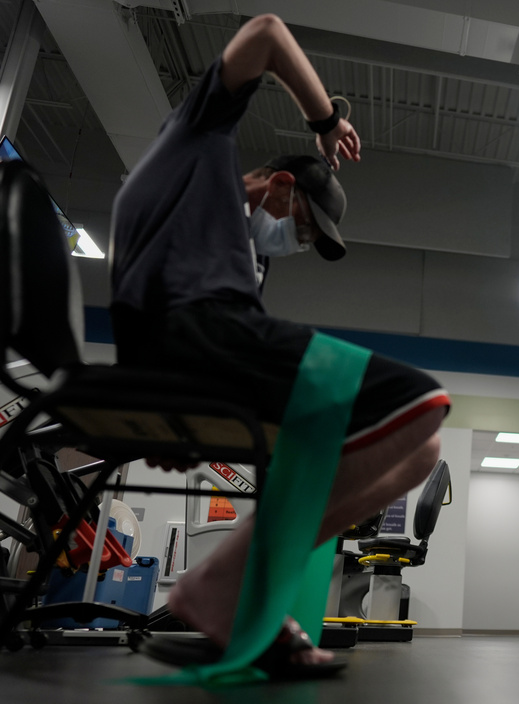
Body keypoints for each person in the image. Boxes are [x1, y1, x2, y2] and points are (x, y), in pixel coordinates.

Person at [108, 15, 449, 678]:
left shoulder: (241, 262)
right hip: (195, 335)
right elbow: (265, 33)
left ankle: (232, 591)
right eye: (301, 226)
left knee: (421, 455)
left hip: (196, 358)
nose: (294, 241)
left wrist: (167, 411)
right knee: (422, 403)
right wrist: (325, 118)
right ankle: (226, 592)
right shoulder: (196, 145)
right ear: (282, 186)